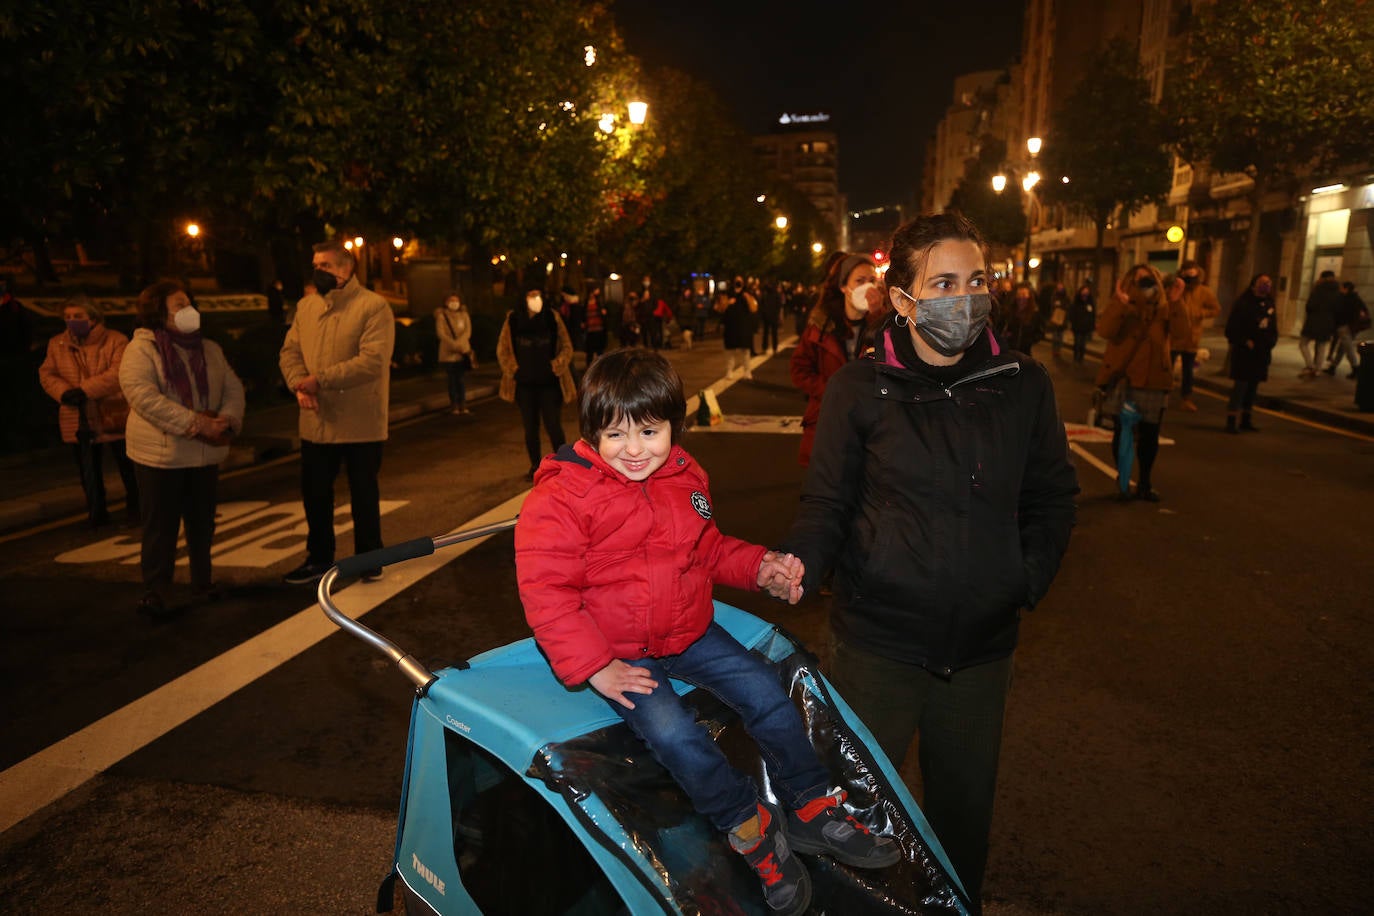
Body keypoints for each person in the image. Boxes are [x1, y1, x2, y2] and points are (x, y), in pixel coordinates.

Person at [515, 348, 900, 916]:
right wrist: (596, 667)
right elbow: (546, 589)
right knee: (675, 735)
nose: (634, 450)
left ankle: (811, 804)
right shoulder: (562, 498)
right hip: (621, 651)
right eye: (615, 434)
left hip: (688, 630)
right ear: (589, 431)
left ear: (674, 425)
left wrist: (760, 567)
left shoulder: (684, 475)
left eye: (649, 431)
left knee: (768, 691)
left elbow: (709, 549)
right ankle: (751, 826)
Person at [779, 212, 1078, 911]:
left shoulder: (1022, 384)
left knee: (961, 825)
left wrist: (1019, 580)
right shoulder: (860, 388)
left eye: (977, 280)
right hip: (877, 646)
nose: (965, 296)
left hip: (980, 652)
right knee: (861, 822)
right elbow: (827, 503)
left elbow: (1053, 498)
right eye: (943, 282)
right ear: (904, 299)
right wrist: (796, 563)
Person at [120, 280, 244, 619]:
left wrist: (228, 419)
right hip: (161, 455)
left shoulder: (210, 349)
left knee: (202, 522)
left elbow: (232, 388)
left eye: (189, 303)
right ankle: (156, 590)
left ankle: (202, 581)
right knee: (161, 525)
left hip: (204, 453)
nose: (188, 311)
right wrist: (198, 424)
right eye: (178, 305)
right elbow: (143, 397)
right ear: (158, 312)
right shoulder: (142, 349)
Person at [278, 239, 396, 585]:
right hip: (316, 420)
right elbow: (289, 351)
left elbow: (372, 361)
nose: (319, 271)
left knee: (363, 494)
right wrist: (299, 383)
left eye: (326, 265)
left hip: (361, 420)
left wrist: (320, 380)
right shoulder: (306, 307)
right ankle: (318, 558)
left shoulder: (373, 307)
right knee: (315, 493)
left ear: (347, 269)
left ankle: (369, 558)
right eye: (316, 265)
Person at [38, 295, 140, 527]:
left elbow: (119, 372)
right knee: (87, 467)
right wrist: (64, 393)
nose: (72, 321)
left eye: (78, 316)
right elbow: (47, 373)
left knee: (127, 463)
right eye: (68, 317)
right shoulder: (58, 344)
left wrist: (85, 390)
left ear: (93, 318)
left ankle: (136, 506)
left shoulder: (115, 340)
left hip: (112, 410)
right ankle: (97, 511)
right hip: (77, 413)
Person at [1095, 265, 1184, 501]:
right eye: (1137, 281)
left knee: (1150, 435)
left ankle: (1145, 481)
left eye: (1148, 280)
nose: (1143, 286)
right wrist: (1120, 304)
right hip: (1124, 379)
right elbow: (1105, 331)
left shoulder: (1165, 308)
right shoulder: (1123, 305)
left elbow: (1182, 334)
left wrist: (1176, 302)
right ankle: (1123, 480)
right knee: (1121, 432)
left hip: (1154, 380)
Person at [789, 253, 881, 467]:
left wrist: (878, 317)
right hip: (827, 421)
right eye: (859, 281)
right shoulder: (820, 327)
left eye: (872, 281)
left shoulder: (884, 326)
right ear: (843, 287)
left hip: (869, 426)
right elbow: (799, 369)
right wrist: (830, 390)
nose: (867, 287)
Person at [497, 274, 576, 480]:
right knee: (530, 428)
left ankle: (563, 466)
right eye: (531, 295)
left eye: (538, 295)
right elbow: (503, 350)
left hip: (549, 383)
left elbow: (567, 346)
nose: (535, 298)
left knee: (553, 425)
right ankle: (535, 466)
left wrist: (556, 366)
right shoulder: (513, 320)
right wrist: (514, 370)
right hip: (524, 385)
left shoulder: (552, 317)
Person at [1223, 273, 1279, 433]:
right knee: (1240, 387)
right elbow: (1231, 329)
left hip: (1261, 353)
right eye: (1263, 282)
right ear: (1254, 285)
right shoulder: (1243, 303)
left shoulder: (1269, 303)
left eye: (1268, 282)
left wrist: (1271, 342)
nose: (1266, 285)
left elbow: (1273, 327)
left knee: (1253, 387)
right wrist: (1244, 341)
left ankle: (1246, 419)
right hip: (1244, 353)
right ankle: (1231, 419)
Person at [1168, 260, 1221, 411]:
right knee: (1167, 367)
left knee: (1188, 370)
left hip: (1192, 337)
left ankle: (1186, 398)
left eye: (1193, 271)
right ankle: (1163, 395)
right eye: (1187, 271)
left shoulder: (1204, 291)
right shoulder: (1176, 288)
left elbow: (1216, 309)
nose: (1190, 274)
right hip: (1174, 336)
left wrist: (1200, 313)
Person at [435, 292, 475, 415]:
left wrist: (460, 343)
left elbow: (468, 331)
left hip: (462, 352)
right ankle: (454, 405)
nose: (454, 303)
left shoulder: (464, 315)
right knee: (452, 381)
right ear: (446, 302)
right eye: (451, 300)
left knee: (461, 380)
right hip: (448, 353)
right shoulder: (441, 316)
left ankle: (463, 404)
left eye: (456, 300)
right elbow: (441, 333)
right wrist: (453, 344)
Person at [1298, 270, 1341, 379]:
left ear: (1322, 278)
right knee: (1322, 347)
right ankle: (1317, 370)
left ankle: (1310, 366)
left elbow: (1310, 306)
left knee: (1303, 343)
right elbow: (1337, 309)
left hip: (1313, 321)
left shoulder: (1318, 289)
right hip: (1328, 323)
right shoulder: (1337, 291)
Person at [1322, 281, 1367, 378]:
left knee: (1348, 348)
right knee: (1342, 348)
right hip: (1353, 327)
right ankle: (1333, 367)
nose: (1340, 290)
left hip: (1345, 327)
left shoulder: (1347, 299)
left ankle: (1355, 368)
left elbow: (1342, 312)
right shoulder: (1356, 298)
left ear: (1346, 289)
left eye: (1342, 288)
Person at [722, 276, 756, 379]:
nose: (738, 283)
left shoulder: (747, 294)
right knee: (730, 351)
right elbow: (720, 308)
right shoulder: (728, 294)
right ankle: (729, 371)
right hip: (730, 327)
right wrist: (728, 303)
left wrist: (747, 298)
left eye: (740, 281)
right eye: (737, 281)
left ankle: (747, 371)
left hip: (743, 327)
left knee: (745, 351)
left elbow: (754, 308)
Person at [998, 282, 1042, 355]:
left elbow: (1040, 333)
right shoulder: (1009, 312)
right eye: (1019, 295)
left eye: (1024, 295)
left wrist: (1030, 340)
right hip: (1008, 351)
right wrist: (1006, 335)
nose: (1021, 298)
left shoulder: (1034, 314)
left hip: (1025, 353)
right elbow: (999, 327)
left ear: (1029, 297)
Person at [1038, 277, 1070, 358]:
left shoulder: (1066, 297)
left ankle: (1058, 350)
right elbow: (1051, 306)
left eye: (1061, 287)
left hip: (1063, 319)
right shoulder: (1054, 296)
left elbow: (1068, 306)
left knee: (1060, 337)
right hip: (1055, 319)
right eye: (1059, 287)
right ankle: (1054, 350)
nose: (1060, 288)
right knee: (1055, 336)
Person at [1067, 283, 1096, 365]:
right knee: (1077, 343)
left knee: (1083, 344)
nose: (1085, 293)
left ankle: (1081, 357)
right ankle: (1076, 356)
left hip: (1086, 327)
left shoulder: (1090, 303)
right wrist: (1073, 323)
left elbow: (1093, 315)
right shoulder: (1076, 302)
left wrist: (1092, 325)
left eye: (1087, 291)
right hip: (1077, 327)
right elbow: (1071, 314)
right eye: (1084, 291)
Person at [583, 286, 608, 364]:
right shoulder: (586, 303)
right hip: (590, 330)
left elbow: (603, 314)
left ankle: (601, 365)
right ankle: (589, 366)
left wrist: (603, 313)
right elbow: (584, 314)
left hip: (599, 329)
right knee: (589, 351)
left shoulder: (599, 303)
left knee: (599, 350)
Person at [758, 280, 783, 354]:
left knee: (768, 334)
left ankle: (767, 348)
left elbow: (761, 305)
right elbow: (779, 305)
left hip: (769, 316)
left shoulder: (766, 294)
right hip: (772, 316)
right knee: (772, 334)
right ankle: (773, 349)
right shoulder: (775, 294)